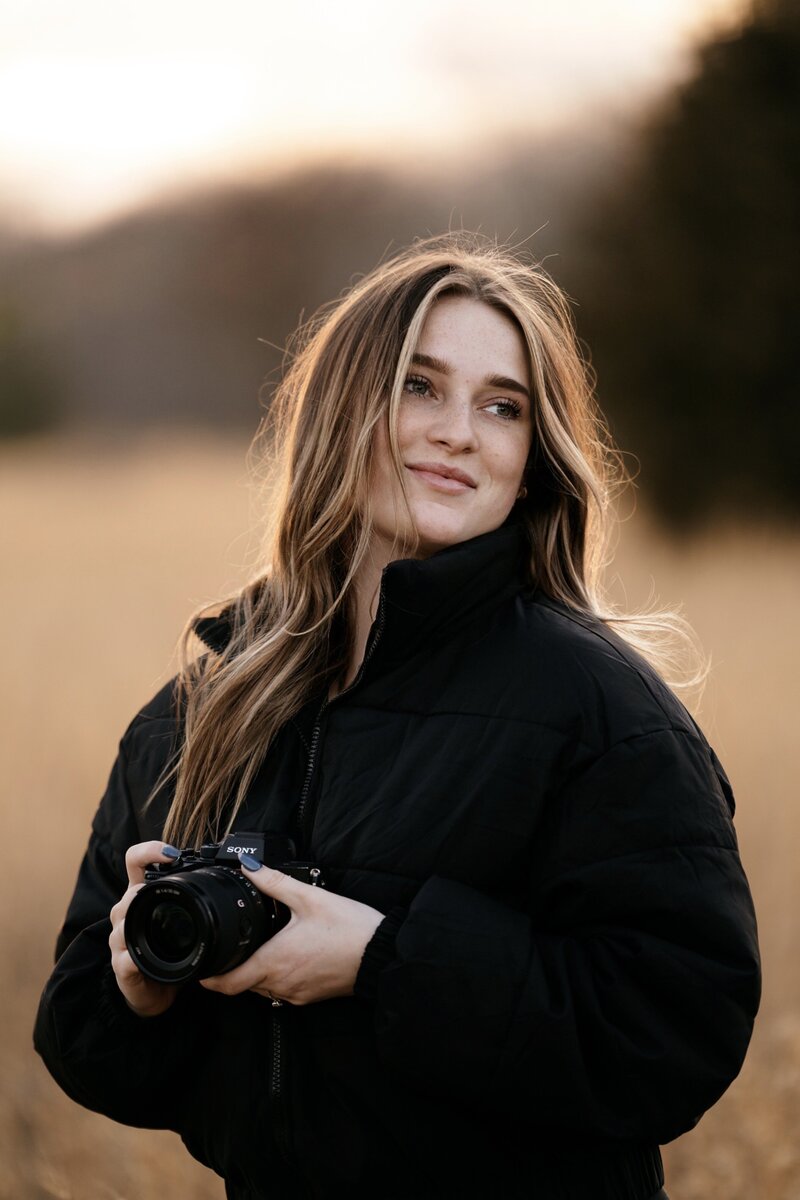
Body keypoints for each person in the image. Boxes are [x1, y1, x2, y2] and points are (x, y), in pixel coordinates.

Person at [34, 232, 760, 1200]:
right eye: (419, 387)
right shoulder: (199, 710)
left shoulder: (596, 709)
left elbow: (673, 1033)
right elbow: (82, 1040)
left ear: (530, 459)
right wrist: (141, 981)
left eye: (501, 406)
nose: (458, 431)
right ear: (340, 410)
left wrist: (381, 962)